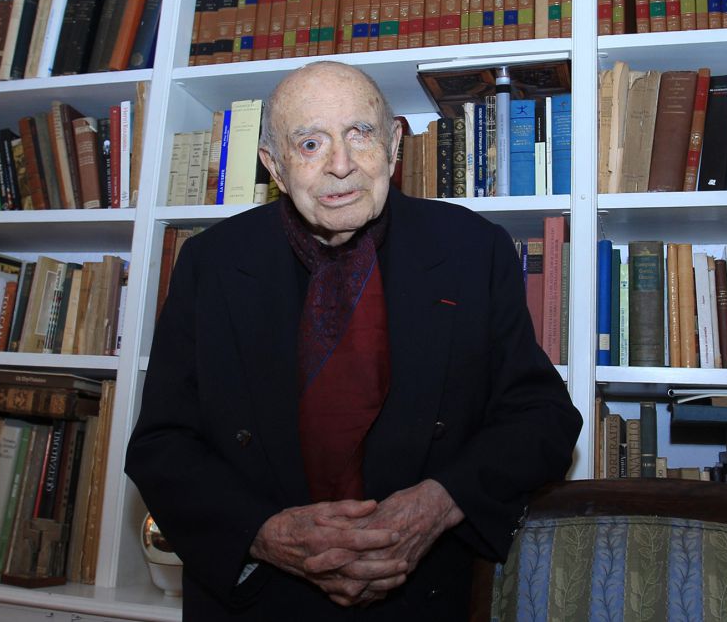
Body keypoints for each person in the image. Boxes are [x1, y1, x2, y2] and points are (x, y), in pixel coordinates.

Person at [125, 61, 581, 621]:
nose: (341, 166)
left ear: (393, 147)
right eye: (310, 143)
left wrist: (439, 502)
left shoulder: (472, 250)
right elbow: (161, 444)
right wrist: (267, 532)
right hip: (259, 599)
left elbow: (542, 417)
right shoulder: (211, 264)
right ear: (275, 165)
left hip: (424, 592)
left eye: (359, 134)